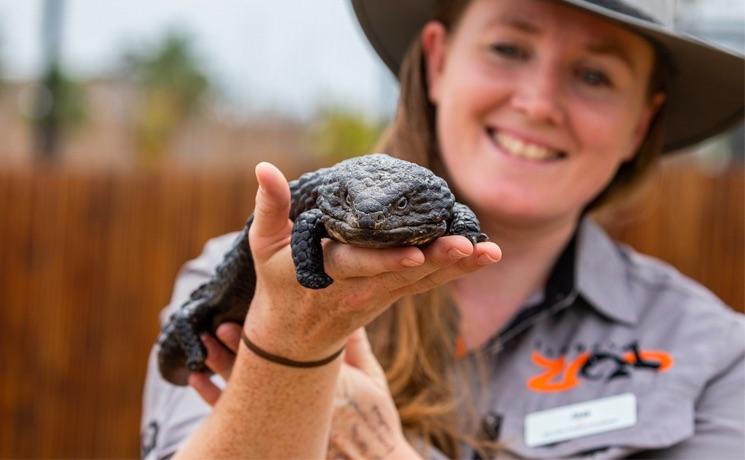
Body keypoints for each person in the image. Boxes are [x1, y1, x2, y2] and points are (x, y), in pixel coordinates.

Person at [141, 0, 745, 458]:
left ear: (641, 122)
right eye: (508, 48)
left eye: (594, 76)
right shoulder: (242, 273)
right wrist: (286, 355)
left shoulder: (714, 355)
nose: (537, 103)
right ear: (437, 60)